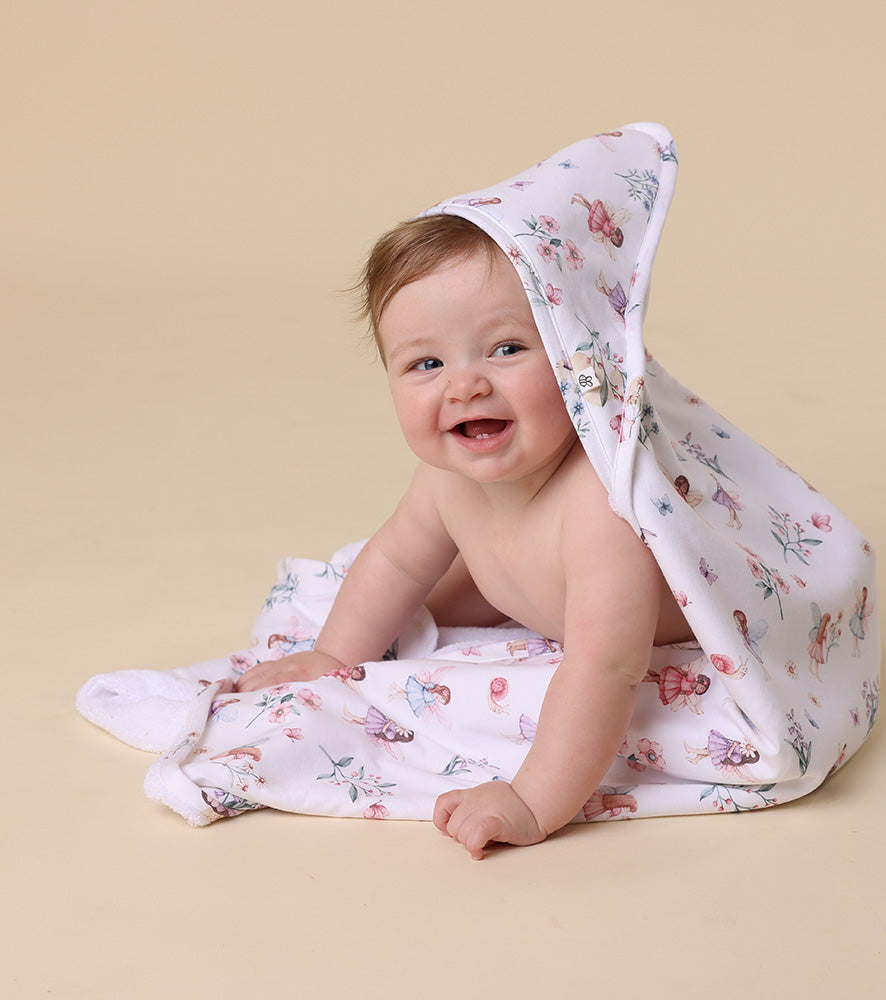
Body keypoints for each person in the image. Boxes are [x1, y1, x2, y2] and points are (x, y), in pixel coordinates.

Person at [235, 214, 696, 859]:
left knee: (569, 625)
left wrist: (534, 799)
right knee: (429, 595)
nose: (465, 385)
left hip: (644, 624)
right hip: (544, 590)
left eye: (507, 349)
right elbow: (396, 561)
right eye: (426, 363)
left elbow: (609, 665)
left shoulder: (601, 506)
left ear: (574, 355)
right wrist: (333, 655)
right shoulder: (443, 479)